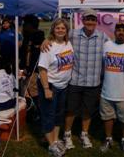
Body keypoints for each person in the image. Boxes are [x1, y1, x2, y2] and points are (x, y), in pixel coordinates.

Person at [42, 9, 109, 149]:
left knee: (88, 110)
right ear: (83, 21)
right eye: (87, 19)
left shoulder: (103, 37)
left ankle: (84, 134)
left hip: (93, 82)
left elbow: (116, 47)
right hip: (75, 81)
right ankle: (67, 135)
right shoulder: (73, 34)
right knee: (71, 110)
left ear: (96, 22)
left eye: (93, 19)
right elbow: (57, 36)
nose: (90, 22)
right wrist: (46, 40)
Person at [99, 22, 124, 153]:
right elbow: (101, 66)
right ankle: (108, 138)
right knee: (107, 117)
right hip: (106, 91)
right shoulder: (106, 45)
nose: (121, 32)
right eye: (119, 30)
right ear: (114, 32)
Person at [37, 18, 74, 157]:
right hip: (50, 86)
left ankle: (56, 139)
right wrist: (46, 89)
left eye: (63, 28)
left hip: (63, 86)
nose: (60, 30)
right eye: (57, 28)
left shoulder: (68, 43)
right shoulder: (48, 47)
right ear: (53, 29)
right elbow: (42, 69)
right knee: (48, 115)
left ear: (66, 30)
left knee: (58, 115)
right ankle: (51, 145)